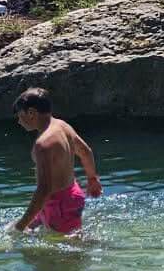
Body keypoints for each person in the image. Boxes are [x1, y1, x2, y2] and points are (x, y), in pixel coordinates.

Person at [10, 88, 103, 235]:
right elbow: (86, 152)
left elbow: (44, 190)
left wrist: (20, 225)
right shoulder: (62, 126)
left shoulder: (43, 144)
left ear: (32, 113)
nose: (19, 121)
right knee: (33, 228)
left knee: (70, 251)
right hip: (72, 193)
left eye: (20, 115)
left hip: (59, 205)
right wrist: (92, 179)